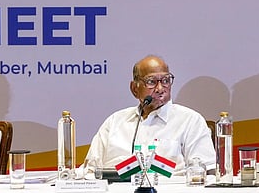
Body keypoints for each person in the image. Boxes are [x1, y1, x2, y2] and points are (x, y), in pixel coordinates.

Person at [82, 55, 216, 176]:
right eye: (151, 82)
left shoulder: (190, 121)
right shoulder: (114, 122)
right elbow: (90, 170)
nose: (160, 89)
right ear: (135, 89)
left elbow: (206, 171)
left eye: (165, 80)